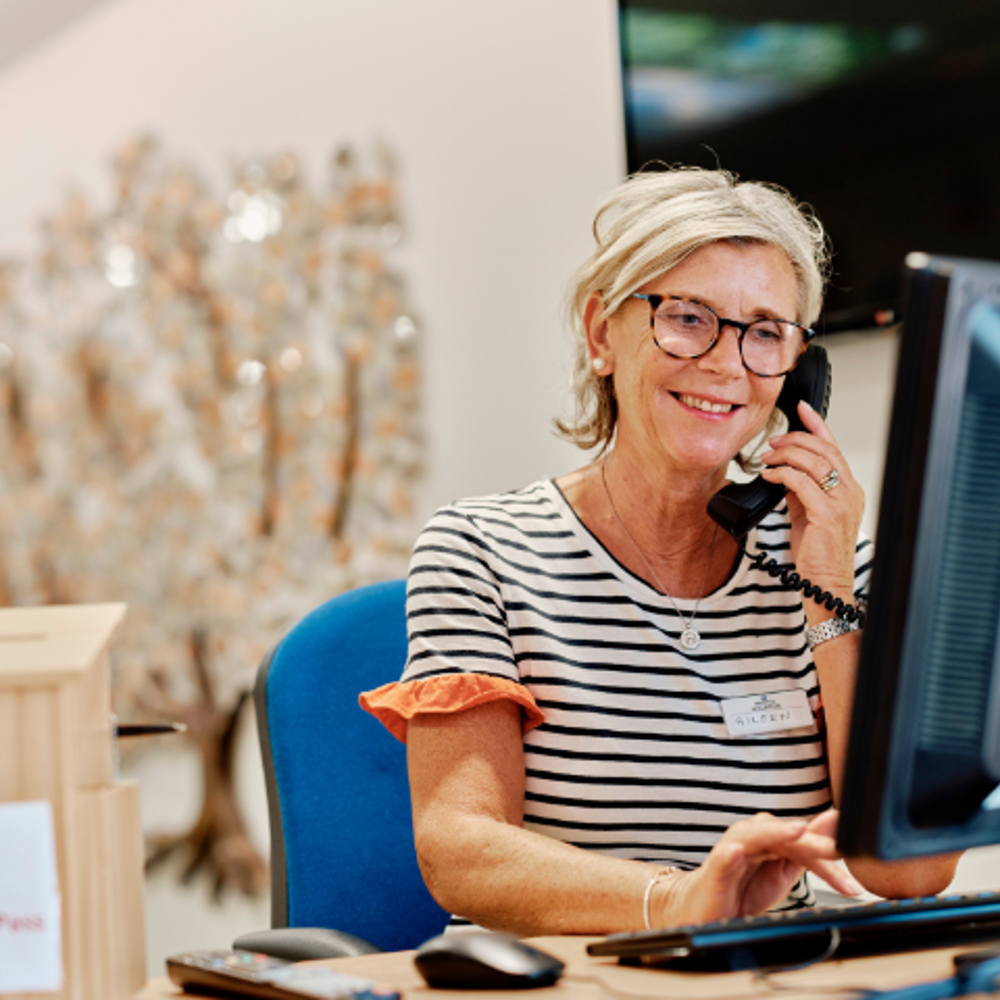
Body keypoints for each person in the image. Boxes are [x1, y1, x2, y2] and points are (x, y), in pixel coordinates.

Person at [360, 167, 959, 936]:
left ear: (800, 372)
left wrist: (827, 590)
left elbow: (910, 870)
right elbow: (461, 854)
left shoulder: (834, 568)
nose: (726, 362)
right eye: (688, 317)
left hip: (772, 982)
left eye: (766, 332)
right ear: (604, 334)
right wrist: (682, 902)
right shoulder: (481, 552)